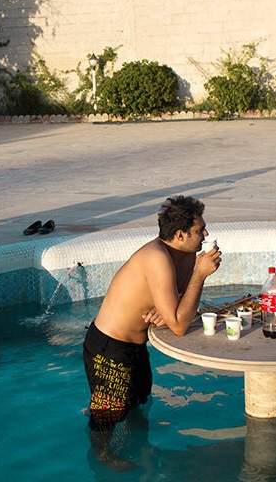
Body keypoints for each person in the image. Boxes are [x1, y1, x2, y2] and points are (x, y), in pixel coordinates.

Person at [83, 195, 222, 458]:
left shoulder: (183, 254)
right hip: (109, 348)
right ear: (180, 234)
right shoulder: (156, 258)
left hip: (135, 348)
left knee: (138, 403)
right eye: (199, 229)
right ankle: (101, 457)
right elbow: (180, 325)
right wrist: (200, 275)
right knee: (107, 418)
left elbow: (179, 311)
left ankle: (138, 449)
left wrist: (171, 306)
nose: (206, 233)